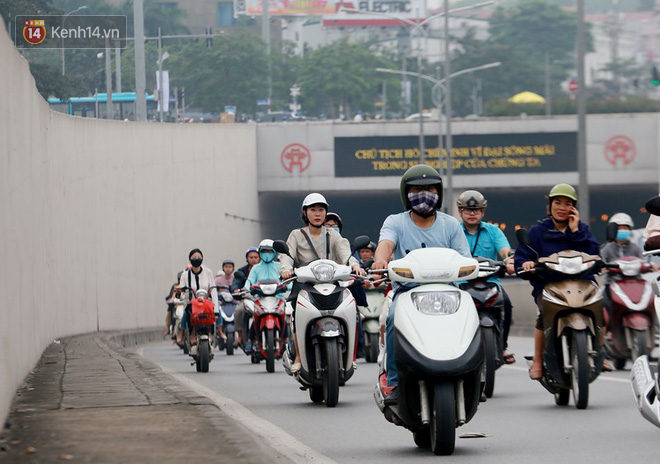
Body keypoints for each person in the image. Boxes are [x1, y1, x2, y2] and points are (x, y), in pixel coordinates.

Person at [372, 164, 471, 405]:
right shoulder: (395, 222)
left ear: (439, 193)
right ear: (406, 193)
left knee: (471, 320)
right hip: (407, 292)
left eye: (429, 189)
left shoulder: (451, 225)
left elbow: (464, 259)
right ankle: (394, 382)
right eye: (417, 189)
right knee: (393, 319)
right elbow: (385, 245)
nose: (424, 194)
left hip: (448, 294)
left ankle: (473, 375)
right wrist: (380, 261)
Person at [514, 184, 606, 380]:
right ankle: (538, 360)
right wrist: (527, 264)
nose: (562, 207)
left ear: (574, 207)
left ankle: (600, 351)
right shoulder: (538, 231)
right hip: (549, 285)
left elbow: (594, 253)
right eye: (558, 202)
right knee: (542, 316)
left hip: (583, 283)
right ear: (550, 205)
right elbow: (522, 259)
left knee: (603, 309)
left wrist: (575, 232)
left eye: (567, 204)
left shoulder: (582, 229)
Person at [280, 193, 365, 373]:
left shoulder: (333, 235)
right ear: (305, 213)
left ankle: (350, 356)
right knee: (296, 310)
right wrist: (285, 270)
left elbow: (345, 252)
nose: (317, 214)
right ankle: (299, 356)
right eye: (313, 210)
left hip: (332, 282)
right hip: (305, 283)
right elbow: (287, 255)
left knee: (352, 309)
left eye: (321, 210)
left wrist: (355, 266)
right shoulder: (296, 235)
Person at [457, 190, 516, 364]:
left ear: (483, 212)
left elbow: (505, 250)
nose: (472, 213)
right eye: (468, 210)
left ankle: (502, 347)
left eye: (476, 210)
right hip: (461, 284)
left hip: (491, 283)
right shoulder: (454, 231)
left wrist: (510, 260)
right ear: (460, 211)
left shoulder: (493, 231)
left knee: (505, 303)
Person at [177, 248, 219, 346]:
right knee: (188, 314)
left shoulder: (208, 272)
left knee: (214, 315)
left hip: (207, 304)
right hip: (192, 304)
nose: (196, 259)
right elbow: (182, 293)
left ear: (202, 259)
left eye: (199, 257)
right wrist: (180, 294)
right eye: (194, 257)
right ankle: (191, 334)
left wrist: (216, 310)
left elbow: (213, 290)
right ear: (189, 259)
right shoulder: (185, 275)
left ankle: (212, 334)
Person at [232, 248, 261, 347]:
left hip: (263, 298)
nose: (253, 259)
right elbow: (236, 283)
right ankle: (240, 336)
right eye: (251, 257)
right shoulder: (242, 271)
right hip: (248, 298)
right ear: (247, 259)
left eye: (256, 257)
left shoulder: (264, 268)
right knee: (238, 311)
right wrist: (236, 289)